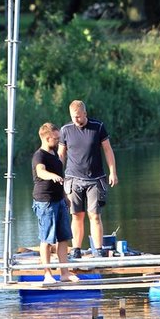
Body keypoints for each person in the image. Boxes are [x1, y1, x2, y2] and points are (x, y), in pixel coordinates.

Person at [58, 100, 118, 258]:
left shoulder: (98, 127)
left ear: (85, 113)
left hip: (95, 179)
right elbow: (61, 155)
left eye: (78, 116)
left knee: (95, 215)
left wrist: (112, 172)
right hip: (73, 179)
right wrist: (58, 176)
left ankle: (98, 250)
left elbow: (108, 150)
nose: (76, 119)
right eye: (73, 117)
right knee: (77, 215)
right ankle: (76, 249)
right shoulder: (65, 130)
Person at [32, 122, 79, 284]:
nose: (59, 141)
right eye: (56, 138)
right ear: (47, 138)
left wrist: (65, 196)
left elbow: (61, 178)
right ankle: (47, 274)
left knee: (63, 238)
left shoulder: (54, 154)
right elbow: (41, 171)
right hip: (45, 202)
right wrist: (51, 176)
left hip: (59, 200)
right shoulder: (39, 156)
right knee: (46, 239)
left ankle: (64, 273)